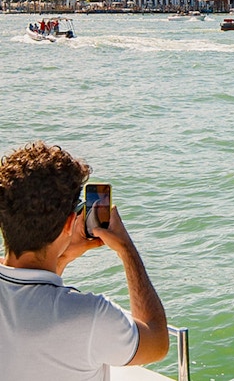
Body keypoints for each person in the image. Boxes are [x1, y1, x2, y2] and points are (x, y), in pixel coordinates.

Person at [0, 141, 169, 380]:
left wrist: (63, 256)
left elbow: (29, 299)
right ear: (70, 224)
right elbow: (157, 342)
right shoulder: (90, 316)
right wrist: (126, 250)